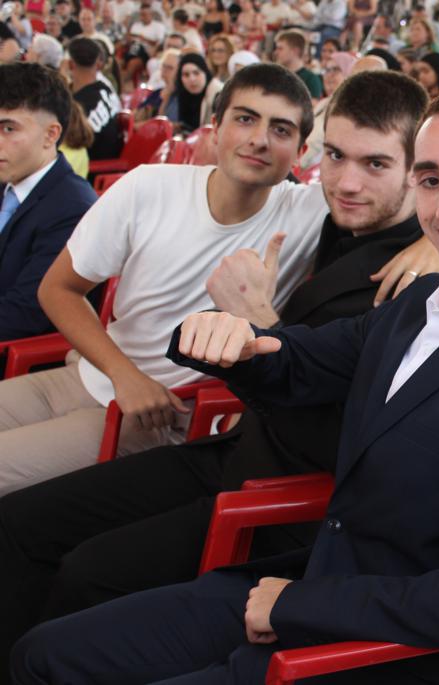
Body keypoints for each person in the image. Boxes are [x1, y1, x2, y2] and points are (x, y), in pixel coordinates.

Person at [13, 79, 439, 685]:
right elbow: (301, 360)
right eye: (430, 179)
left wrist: (298, 604)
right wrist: (232, 341)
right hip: (311, 579)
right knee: (42, 654)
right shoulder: (418, 300)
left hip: (368, 643)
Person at [0, 65, 330, 501]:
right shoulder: (148, 186)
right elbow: (57, 289)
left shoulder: (311, 210)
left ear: (301, 151)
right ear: (216, 127)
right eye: (245, 119)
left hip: (163, 418)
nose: (260, 139)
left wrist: (416, 249)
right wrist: (124, 375)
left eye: (281, 129)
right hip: (91, 375)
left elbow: (399, 185)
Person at [0, 63, 96, 342]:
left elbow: (25, 314)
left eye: (8, 128)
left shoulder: (72, 208)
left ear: (51, 134)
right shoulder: (8, 180)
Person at [66, 37, 123, 162]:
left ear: (70, 64)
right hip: (108, 158)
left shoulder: (77, 106)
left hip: (91, 165)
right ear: (98, 64)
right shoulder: (106, 90)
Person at [298, 51, 355, 171]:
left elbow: (318, 145)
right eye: (327, 70)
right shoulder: (324, 103)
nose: (329, 75)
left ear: (349, 73)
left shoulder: (349, 110)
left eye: (336, 69)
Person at [162, 52, 223, 133]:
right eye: (186, 75)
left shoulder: (218, 94)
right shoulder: (183, 94)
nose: (192, 79)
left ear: (205, 73)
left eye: (196, 73)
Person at [274, 30, 323, 99]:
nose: (276, 52)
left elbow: (313, 104)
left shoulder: (311, 79)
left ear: (295, 51)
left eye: (280, 49)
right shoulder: (276, 76)